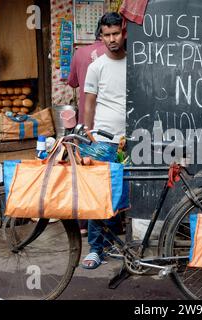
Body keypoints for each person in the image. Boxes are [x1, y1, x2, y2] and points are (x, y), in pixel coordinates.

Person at [81, 12, 126, 269]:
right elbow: (89, 103)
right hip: (102, 140)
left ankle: (119, 245)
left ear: (124, 33)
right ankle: (96, 248)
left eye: (116, 33)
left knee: (123, 197)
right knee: (97, 197)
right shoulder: (96, 67)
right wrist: (88, 132)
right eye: (107, 35)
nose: (112, 39)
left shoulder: (135, 62)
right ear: (101, 36)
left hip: (130, 142)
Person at [67, 17, 107, 237]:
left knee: (86, 172)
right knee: (111, 172)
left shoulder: (80, 53)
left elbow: (73, 83)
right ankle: (113, 224)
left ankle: (83, 225)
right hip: (111, 124)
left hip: (86, 123)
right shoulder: (120, 55)